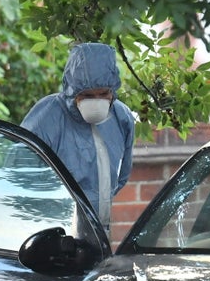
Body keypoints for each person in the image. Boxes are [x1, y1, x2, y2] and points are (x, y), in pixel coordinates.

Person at [21, 42, 135, 231]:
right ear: (72, 91)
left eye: (104, 93)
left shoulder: (121, 117)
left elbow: (122, 176)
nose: (97, 101)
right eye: (87, 95)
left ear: (112, 90)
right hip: (52, 231)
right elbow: (22, 176)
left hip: (99, 230)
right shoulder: (46, 117)